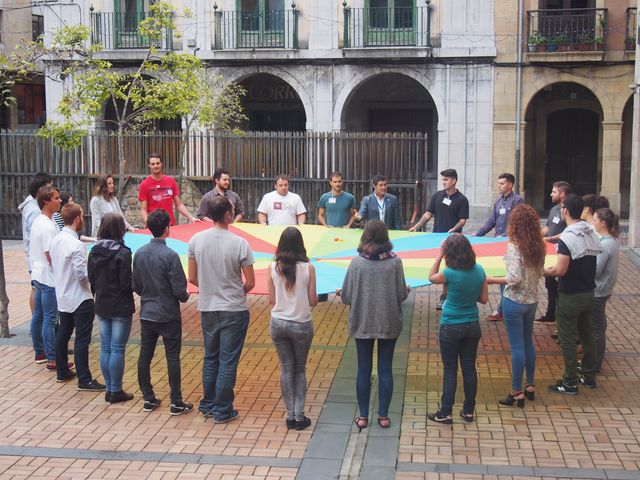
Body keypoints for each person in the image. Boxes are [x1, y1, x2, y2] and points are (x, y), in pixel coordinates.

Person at [188, 196, 255, 423]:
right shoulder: (239, 243)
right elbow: (251, 281)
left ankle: (208, 404)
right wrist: (237, 291)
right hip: (233, 308)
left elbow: (192, 277)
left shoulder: (196, 240)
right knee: (227, 361)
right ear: (227, 214)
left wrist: (210, 287)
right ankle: (222, 409)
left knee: (211, 357)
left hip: (207, 306)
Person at [339, 220, 409, 430]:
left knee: (364, 368)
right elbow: (401, 295)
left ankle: (362, 416)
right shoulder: (395, 263)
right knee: (385, 368)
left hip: (362, 321)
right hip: (389, 322)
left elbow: (346, 296)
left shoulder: (357, 263)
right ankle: (384, 416)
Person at [132, 209, 192, 415]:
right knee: (172, 357)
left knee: (145, 355)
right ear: (167, 229)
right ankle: (176, 401)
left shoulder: (139, 253)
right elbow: (179, 289)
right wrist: (184, 296)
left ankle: (148, 397)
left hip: (147, 311)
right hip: (168, 313)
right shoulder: (171, 255)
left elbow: (136, 285)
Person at [487, 205, 545, 408]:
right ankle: (530, 385)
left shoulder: (514, 246)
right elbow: (540, 272)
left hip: (513, 301)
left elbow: (514, 277)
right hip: (532, 300)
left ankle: (516, 391)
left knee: (517, 347)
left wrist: (492, 280)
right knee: (528, 343)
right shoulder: (539, 245)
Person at [427, 234, 488, 424]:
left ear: (449, 253)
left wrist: (438, 256)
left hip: (451, 325)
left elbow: (430, 277)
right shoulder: (479, 270)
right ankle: (468, 411)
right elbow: (484, 299)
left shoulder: (449, 273)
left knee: (450, 369)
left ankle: (445, 412)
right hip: (472, 324)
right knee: (469, 368)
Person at [544, 194, 602, 394]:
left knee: (567, 338)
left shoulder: (567, 239)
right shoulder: (589, 231)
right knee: (587, 334)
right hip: (589, 292)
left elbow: (560, 271)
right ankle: (589, 376)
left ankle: (569, 381)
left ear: (565, 211)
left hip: (571, 295)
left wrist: (542, 270)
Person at [49, 202, 104, 390]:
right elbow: (82, 275)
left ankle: (62, 370)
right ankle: (84, 378)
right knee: (82, 339)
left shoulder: (56, 240)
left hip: (63, 295)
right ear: (78, 218)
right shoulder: (76, 244)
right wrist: (94, 280)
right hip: (80, 297)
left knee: (63, 332)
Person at [268, 227, 318, 430]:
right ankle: (300, 416)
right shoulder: (308, 268)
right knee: (300, 369)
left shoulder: (273, 267)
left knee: (286, 368)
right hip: (301, 324)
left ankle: (289, 416)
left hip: (278, 323)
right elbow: (313, 300)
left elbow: (272, 300)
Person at [88, 213, 136, 404]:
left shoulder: (94, 251)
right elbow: (126, 283)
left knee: (106, 347)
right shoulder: (123, 253)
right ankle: (116, 390)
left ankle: (109, 388)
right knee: (117, 349)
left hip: (101, 303)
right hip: (120, 306)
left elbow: (91, 277)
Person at [475, 173, 524, 322]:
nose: (499, 186)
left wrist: (505, 236)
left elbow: (520, 222)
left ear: (510, 185)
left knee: (509, 276)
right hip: (499, 245)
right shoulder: (498, 202)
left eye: (502, 183)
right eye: (499, 183)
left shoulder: (517, 200)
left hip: (511, 244)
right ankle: (503, 309)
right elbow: (491, 221)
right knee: (502, 275)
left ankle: (505, 309)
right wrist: (478, 234)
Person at [29, 185, 63, 368]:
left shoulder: (40, 221)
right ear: (46, 201)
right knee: (50, 318)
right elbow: (51, 255)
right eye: (56, 198)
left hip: (38, 273)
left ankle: (40, 352)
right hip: (48, 277)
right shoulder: (48, 226)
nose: (60, 201)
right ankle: (52, 358)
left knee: (39, 315)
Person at [536, 181, 572, 324]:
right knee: (550, 285)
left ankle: (561, 319)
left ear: (562, 194)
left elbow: (568, 231)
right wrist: (535, 236)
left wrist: (550, 238)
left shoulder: (569, 210)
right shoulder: (553, 210)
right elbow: (548, 228)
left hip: (562, 254)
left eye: (554, 192)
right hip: (549, 254)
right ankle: (551, 314)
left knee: (560, 288)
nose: (551, 194)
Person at [18, 172, 52, 318]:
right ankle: (37, 321)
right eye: (49, 187)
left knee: (36, 289)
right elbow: (37, 235)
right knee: (37, 289)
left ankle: (37, 322)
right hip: (38, 258)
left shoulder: (32, 204)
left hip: (36, 257)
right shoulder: (33, 210)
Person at [591, 208, 620, 373]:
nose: (593, 222)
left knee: (596, 329)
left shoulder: (605, 244)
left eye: (595, 220)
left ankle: (594, 365)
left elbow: (595, 270)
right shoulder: (611, 240)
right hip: (605, 289)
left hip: (598, 291)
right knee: (599, 325)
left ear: (603, 223)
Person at [138, 153, 199, 226]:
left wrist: (191, 218)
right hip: (154, 226)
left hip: (170, 225)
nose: (155, 166)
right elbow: (143, 210)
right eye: (153, 164)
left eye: (157, 163)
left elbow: (179, 204)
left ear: (161, 164)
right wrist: (149, 225)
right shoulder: (144, 185)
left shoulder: (171, 181)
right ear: (149, 165)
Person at [409, 169, 469, 234]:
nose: (443, 182)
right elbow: (428, 214)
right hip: (436, 236)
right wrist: (416, 227)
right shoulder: (436, 196)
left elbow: (462, 220)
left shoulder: (462, 199)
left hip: (453, 238)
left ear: (453, 181)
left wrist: (453, 229)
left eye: (446, 180)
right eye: (443, 180)